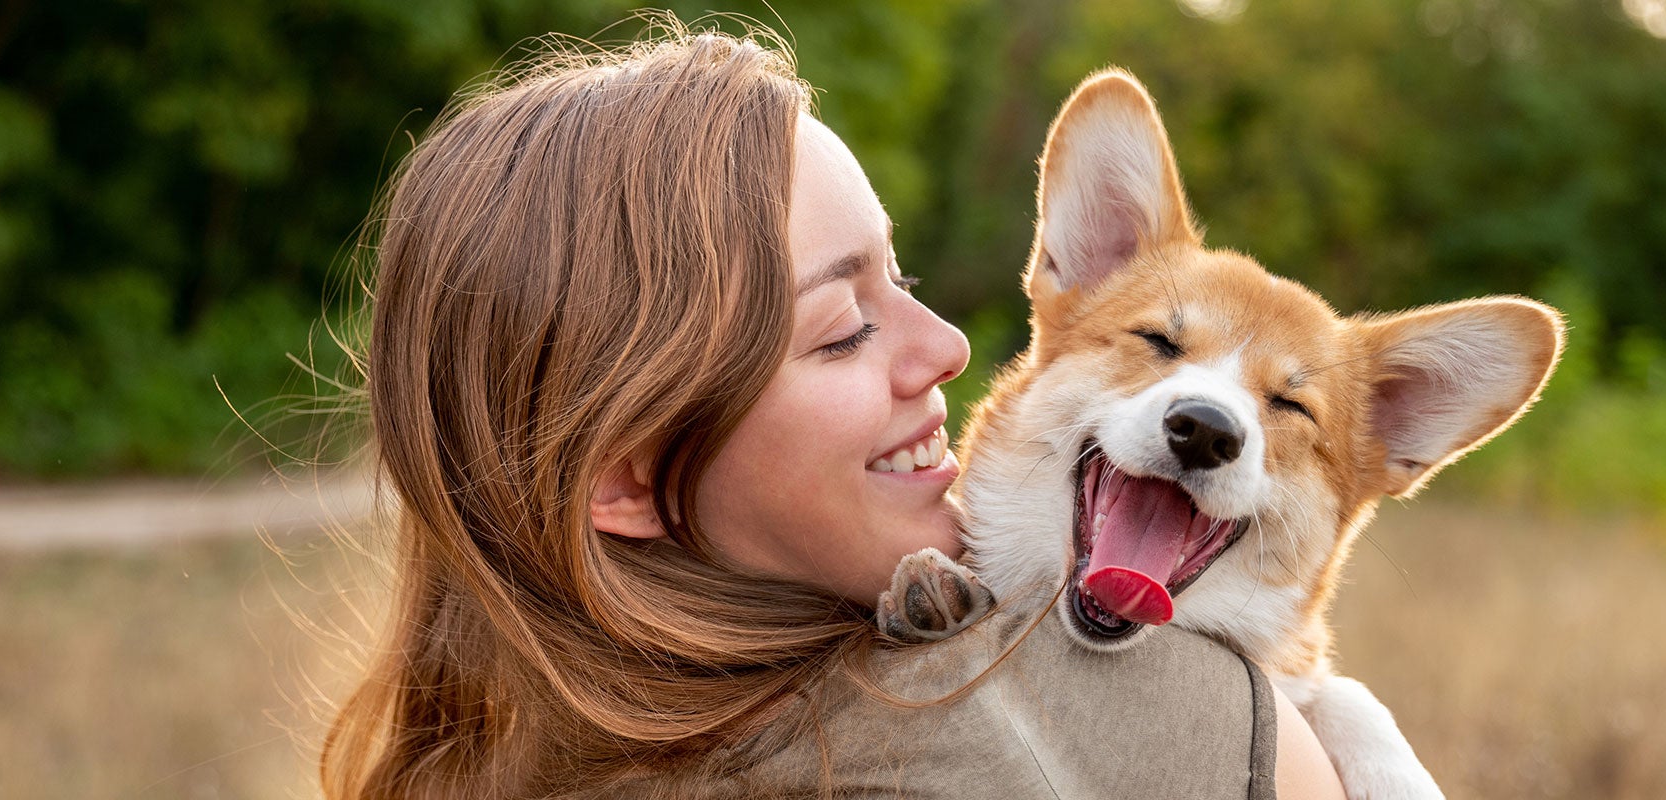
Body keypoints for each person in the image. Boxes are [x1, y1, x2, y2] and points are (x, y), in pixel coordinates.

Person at [321, 21, 1346, 800]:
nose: (948, 347)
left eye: (897, 278)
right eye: (843, 327)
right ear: (627, 475)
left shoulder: (495, 759)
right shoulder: (1106, 716)